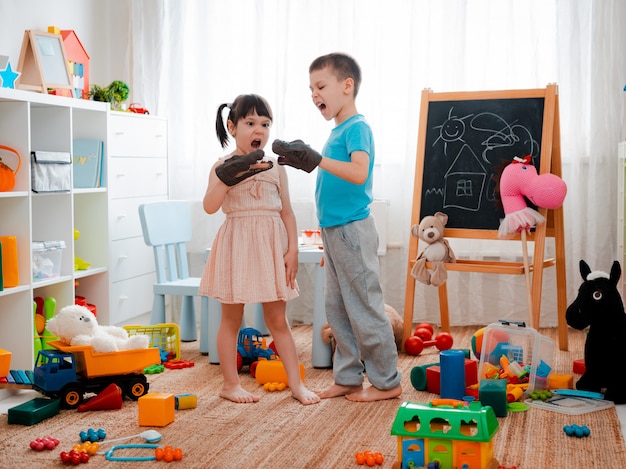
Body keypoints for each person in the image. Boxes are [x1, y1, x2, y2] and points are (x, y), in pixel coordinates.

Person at [272, 53, 402, 402]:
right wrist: (313, 161)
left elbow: (359, 173)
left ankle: (387, 382)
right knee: (339, 309)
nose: (315, 94)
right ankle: (347, 377)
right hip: (334, 232)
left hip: (352, 230)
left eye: (320, 86)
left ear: (347, 86)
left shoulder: (358, 127)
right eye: (310, 89)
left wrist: (318, 159)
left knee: (364, 307)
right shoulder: (337, 131)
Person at [199, 93, 320, 406]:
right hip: (236, 243)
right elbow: (210, 206)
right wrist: (227, 177)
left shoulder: (275, 167)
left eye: (265, 124)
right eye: (250, 122)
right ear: (232, 126)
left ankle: (296, 384)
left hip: (270, 246)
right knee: (230, 319)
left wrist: (292, 250)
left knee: (278, 320)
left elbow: (287, 212)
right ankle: (230, 384)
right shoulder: (221, 166)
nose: (259, 130)